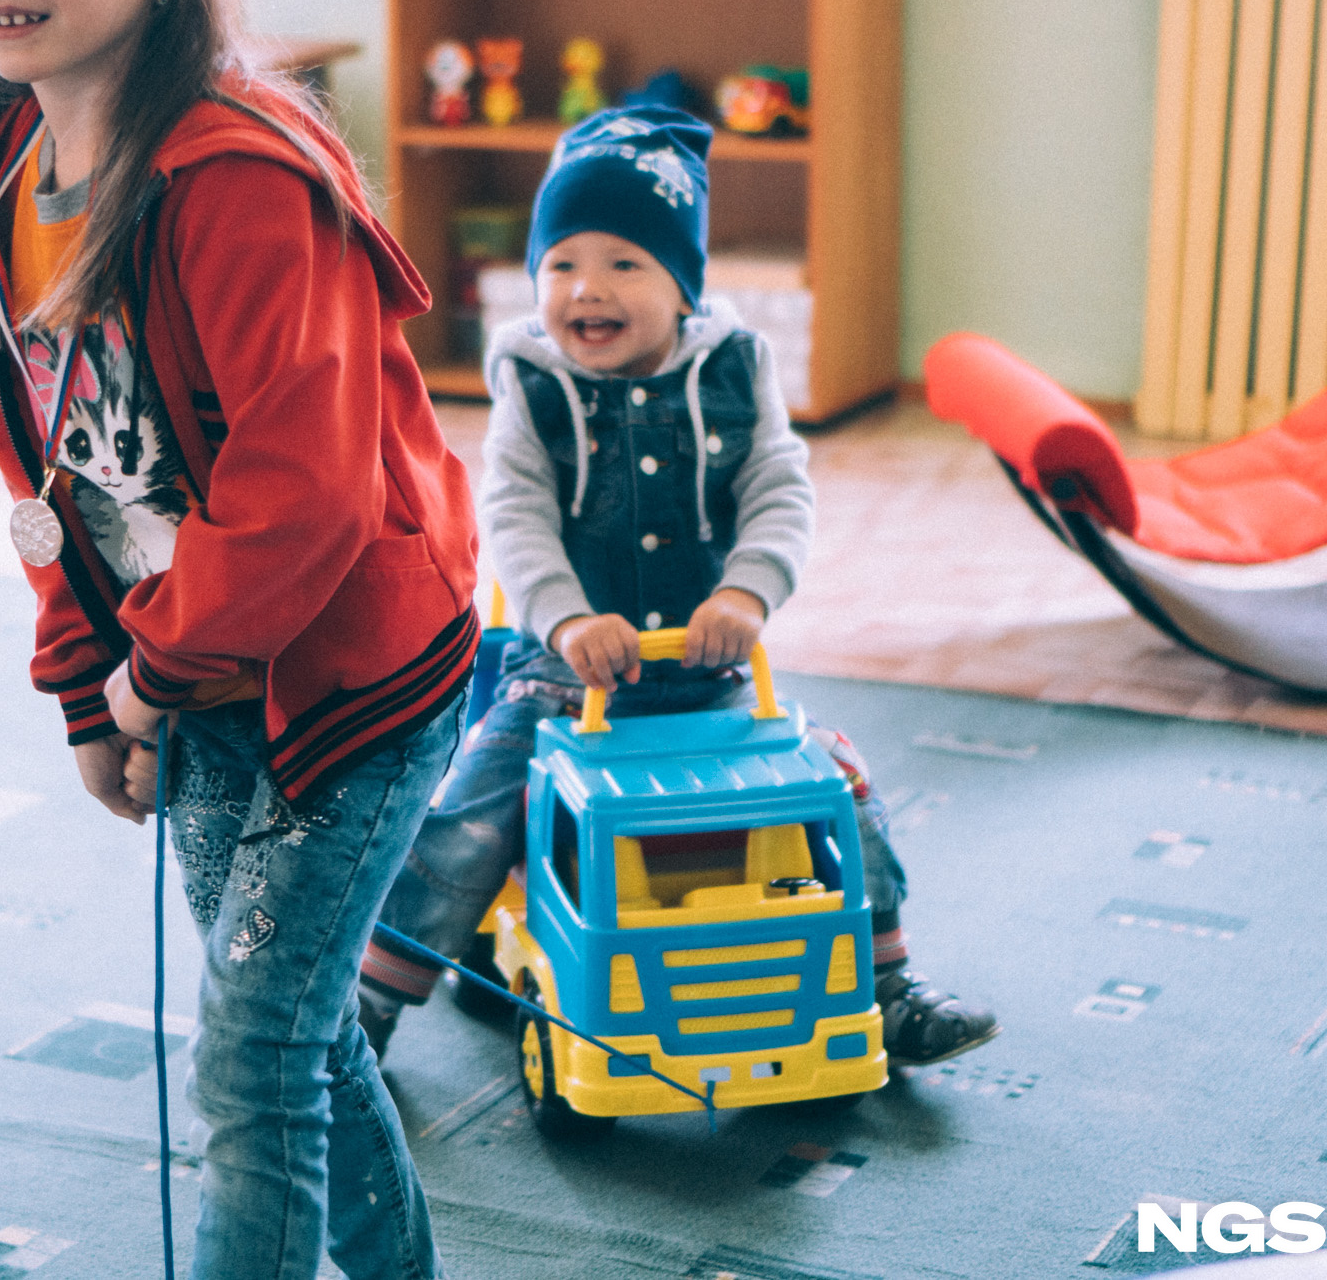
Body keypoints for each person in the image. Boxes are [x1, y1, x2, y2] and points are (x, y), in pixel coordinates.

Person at [0, 0, 478, 1280]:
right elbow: (41, 467)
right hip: (186, 666)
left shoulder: (232, 177)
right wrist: (82, 687)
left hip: (351, 675)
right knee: (287, 1027)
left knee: (251, 1052)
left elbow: (303, 500)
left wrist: (150, 675)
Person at [355, 104, 999, 1072]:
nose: (587, 287)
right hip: (566, 682)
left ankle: (888, 982)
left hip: (713, 677)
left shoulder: (736, 365)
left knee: (838, 783)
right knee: (474, 806)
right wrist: (568, 619)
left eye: (625, 263)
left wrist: (745, 595)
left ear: (683, 285)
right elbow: (516, 514)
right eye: (563, 262)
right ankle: (369, 1001)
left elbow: (778, 488)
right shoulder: (531, 378)